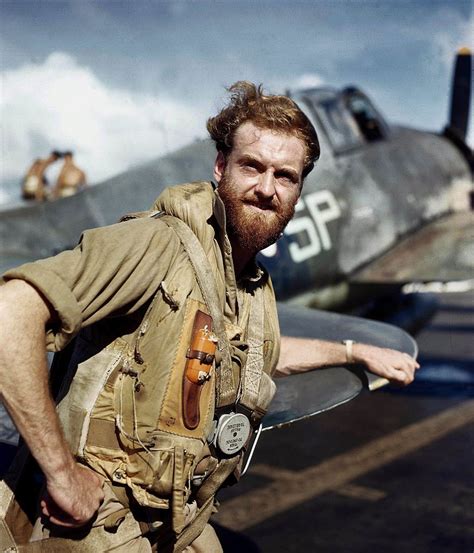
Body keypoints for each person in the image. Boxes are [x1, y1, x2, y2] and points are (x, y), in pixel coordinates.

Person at [0, 82, 419, 552]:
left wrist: (353, 349)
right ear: (221, 167)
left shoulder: (246, 280)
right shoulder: (157, 244)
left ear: (299, 189)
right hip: (93, 523)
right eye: (251, 167)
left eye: (285, 176)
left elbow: (262, 356)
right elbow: (9, 311)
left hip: (174, 520)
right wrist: (61, 475)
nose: (266, 188)